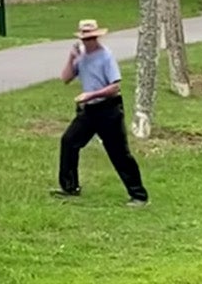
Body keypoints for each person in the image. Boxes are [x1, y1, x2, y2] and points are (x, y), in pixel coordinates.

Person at [55, 19, 149, 206]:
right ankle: (70, 187)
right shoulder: (81, 57)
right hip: (89, 111)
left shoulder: (106, 56)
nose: (88, 42)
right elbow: (65, 78)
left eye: (91, 38)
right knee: (69, 142)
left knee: (118, 153)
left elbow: (115, 87)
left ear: (97, 37)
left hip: (108, 110)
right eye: (85, 38)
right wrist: (71, 58)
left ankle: (139, 195)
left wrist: (91, 95)